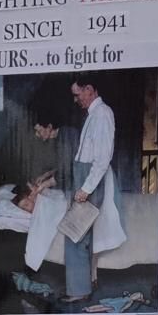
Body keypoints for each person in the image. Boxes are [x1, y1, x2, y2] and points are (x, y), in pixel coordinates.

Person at [61, 75, 126, 303]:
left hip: (90, 179)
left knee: (75, 233)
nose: (76, 99)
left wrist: (86, 188)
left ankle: (79, 291)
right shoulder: (93, 114)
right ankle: (84, 285)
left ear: (89, 89)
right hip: (84, 175)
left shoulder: (102, 114)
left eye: (77, 94)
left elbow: (102, 159)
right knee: (81, 234)